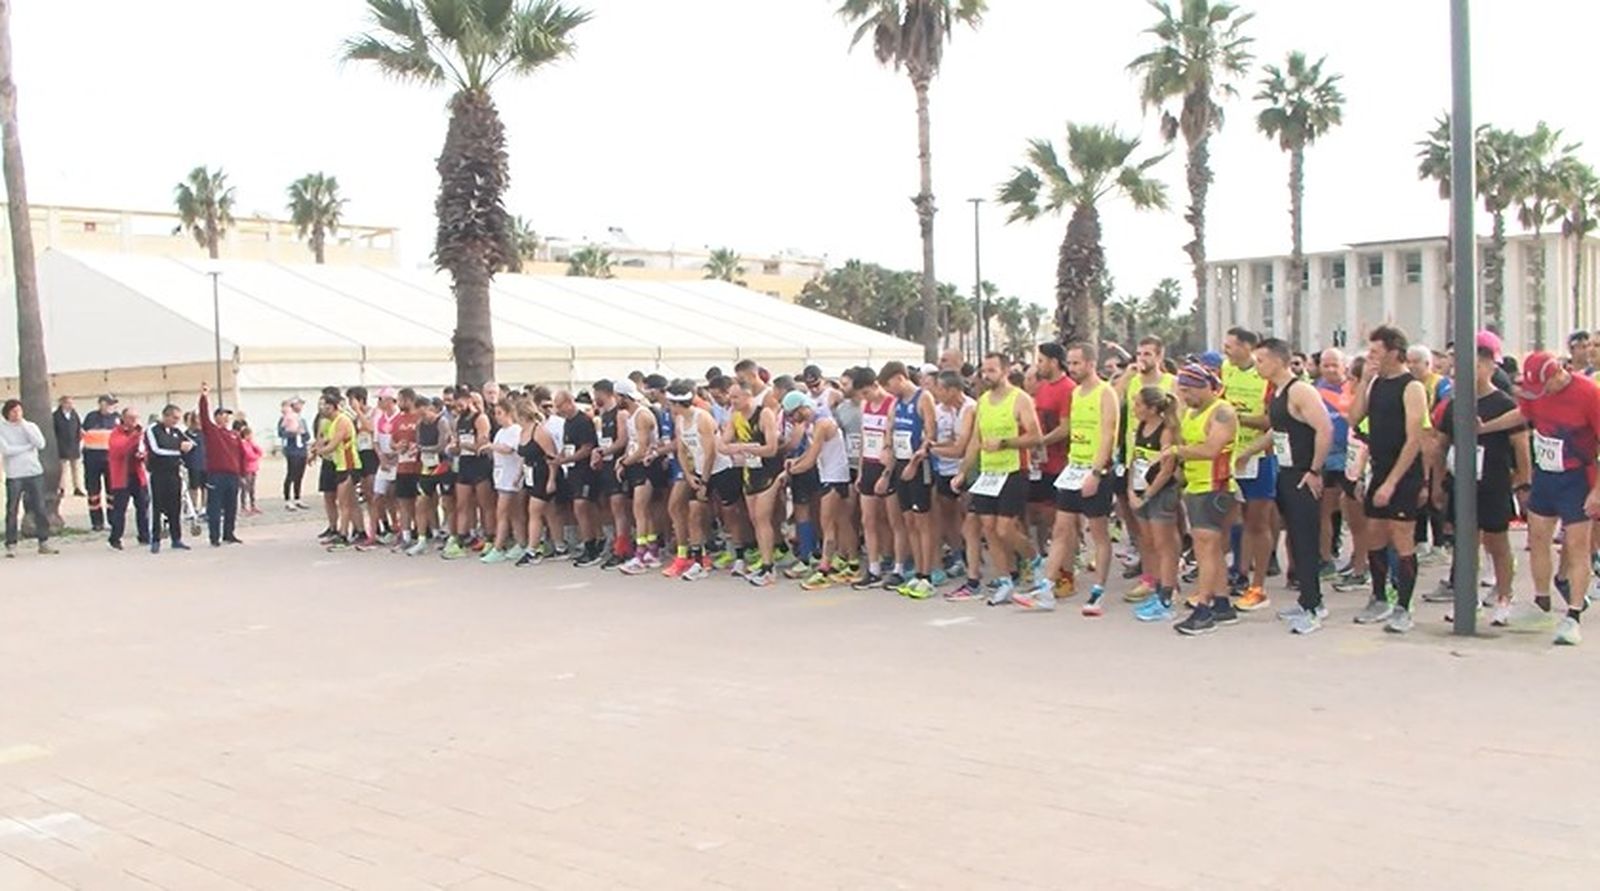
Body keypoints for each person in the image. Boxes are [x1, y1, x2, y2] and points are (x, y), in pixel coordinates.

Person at [1481, 350, 1600, 646]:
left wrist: (1597, 491)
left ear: (1559, 372)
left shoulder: (1589, 394)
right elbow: (1523, 413)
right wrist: (1486, 427)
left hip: (1578, 477)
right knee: (1537, 539)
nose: (1541, 394)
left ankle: (1573, 615)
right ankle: (1542, 601)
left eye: (1545, 386)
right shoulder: (1536, 394)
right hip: (1547, 475)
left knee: (1577, 546)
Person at [1019, 342, 1119, 613]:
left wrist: (1096, 473)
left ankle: (1098, 592)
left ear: (1090, 364)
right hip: (1073, 468)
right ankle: (1047, 589)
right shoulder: (1076, 395)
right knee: (1061, 529)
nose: (1072, 368)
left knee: (1098, 532)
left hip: (1096, 470)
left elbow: (1108, 435)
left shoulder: (1105, 393)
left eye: (1076, 363)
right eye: (1070, 363)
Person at [1434, 342, 1527, 625]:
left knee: (1497, 543)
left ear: (1489, 367)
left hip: (1494, 483)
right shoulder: (1453, 405)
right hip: (1461, 483)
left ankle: (1504, 597)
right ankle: (1467, 598)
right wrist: (1437, 482)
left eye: (1472, 366)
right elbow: (1440, 445)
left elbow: (1521, 446)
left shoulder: (1504, 403)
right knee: (1465, 543)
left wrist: (1523, 482)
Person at [1347, 325, 1428, 633]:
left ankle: (1404, 606)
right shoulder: (1376, 383)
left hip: (1404, 472)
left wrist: (1392, 482)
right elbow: (1354, 418)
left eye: (1377, 352)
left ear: (1394, 352)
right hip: (1378, 466)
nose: (1372, 357)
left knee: (1402, 535)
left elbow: (1414, 439)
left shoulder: (1412, 387)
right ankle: (1379, 595)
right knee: (1374, 533)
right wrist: (1365, 380)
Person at [1251, 338, 1334, 635]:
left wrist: (1314, 470)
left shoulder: (1301, 390)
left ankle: (1314, 607)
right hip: (1285, 472)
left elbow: (1325, 428)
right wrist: (1249, 451)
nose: (1257, 366)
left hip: (1302, 473)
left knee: (1306, 539)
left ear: (1277, 360)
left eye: (1261, 360)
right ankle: (1306, 599)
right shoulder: (1278, 393)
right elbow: (1279, 432)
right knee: (1296, 541)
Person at [952, 353, 1043, 606]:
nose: (986, 375)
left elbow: (1035, 436)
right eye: (984, 371)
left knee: (1005, 528)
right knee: (988, 528)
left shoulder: (1020, 399)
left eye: (991, 370)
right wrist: (963, 470)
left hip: (1014, 470)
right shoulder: (982, 402)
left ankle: (1035, 561)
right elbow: (975, 441)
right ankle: (1005, 581)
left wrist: (1005, 443)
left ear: (1004, 371)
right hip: (988, 474)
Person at [1165, 364, 1240, 635]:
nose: (1185, 396)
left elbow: (1210, 449)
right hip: (1195, 486)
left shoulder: (1221, 411)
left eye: (1188, 390)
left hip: (1214, 486)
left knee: (1206, 548)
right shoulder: (1192, 412)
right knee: (1210, 548)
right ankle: (1221, 602)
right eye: (1182, 390)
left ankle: (1204, 607)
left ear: (1204, 386)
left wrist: (1175, 451)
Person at [1221, 328, 1275, 611]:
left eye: (1230, 345)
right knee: (1232, 517)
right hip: (1230, 455)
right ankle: (1238, 572)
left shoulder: (1264, 377)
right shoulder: (1226, 370)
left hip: (1258, 458)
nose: (1226, 350)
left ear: (1247, 347)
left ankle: (1259, 584)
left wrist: (1238, 418)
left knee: (1258, 522)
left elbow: (1271, 421)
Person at [1126, 387, 1182, 622]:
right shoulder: (1140, 426)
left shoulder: (1166, 430)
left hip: (1160, 492)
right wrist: (1130, 489)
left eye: (1139, 405)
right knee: (1147, 541)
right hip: (1140, 488)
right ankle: (1156, 585)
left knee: (1163, 544)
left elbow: (1167, 469)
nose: (1135, 409)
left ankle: (1168, 593)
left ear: (1152, 408)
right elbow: (1135, 459)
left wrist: (1147, 494)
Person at [2, 398, 56, 557]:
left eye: (19, 411)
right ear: (7, 413)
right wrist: (27, 447)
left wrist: (24, 425)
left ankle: (43, 542)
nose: (17, 414)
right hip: (14, 473)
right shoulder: (2, 428)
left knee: (40, 507)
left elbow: (40, 444)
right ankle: (11, 543)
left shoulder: (30, 426)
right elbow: (7, 450)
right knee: (12, 509)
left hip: (33, 472)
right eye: (13, 411)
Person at [198, 382, 244, 547]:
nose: (225, 418)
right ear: (216, 417)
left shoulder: (234, 435)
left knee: (231, 506)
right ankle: (214, 536)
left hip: (233, 475)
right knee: (215, 506)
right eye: (223, 414)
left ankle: (229, 533)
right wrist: (204, 397)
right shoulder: (212, 431)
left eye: (228, 415)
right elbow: (203, 416)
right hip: (216, 475)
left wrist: (243, 474)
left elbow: (241, 455)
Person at [482, 400, 527, 565]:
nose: (497, 417)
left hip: (511, 477)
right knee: (514, 513)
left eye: (499, 413)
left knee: (502, 513)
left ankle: (498, 546)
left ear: (508, 413)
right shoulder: (500, 432)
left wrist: (492, 446)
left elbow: (509, 449)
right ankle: (521, 543)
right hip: (501, 475)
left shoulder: (515, 431)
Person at [143, 404, 193, 552]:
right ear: (166, 416)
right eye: (174, 418)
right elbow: (157, 449)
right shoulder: (153, 430)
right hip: (158, 473)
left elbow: (189, 444)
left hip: (174, 473)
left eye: (178, 419)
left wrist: (183, 447)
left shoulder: (177, 431)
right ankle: (156, 539)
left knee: (175, 507)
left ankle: (176, 538)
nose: (176, 421)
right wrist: (178, 448)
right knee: (157, 506)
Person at [106, 407, 150, 551]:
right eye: (131, 418)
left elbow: (145, 450)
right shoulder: (116, 433)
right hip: (122, 477)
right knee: (120, 509)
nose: (134, 421)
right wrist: (135, 437)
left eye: (136, 418)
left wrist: (143, 455)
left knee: (143, 507)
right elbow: (121, 449)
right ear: (123, 418)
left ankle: (144, 535)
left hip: (137, 475)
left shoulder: (139, 434)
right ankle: (115, 538)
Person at [81, 394, 119, 531]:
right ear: (101, 404)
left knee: (112, 492)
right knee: (93, 492)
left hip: (111, 460)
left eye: (113, 404)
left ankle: (113, 519)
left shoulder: (117, 418)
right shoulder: (91, 417)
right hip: (92, 459)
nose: (111, 406)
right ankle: (97, 522)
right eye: (109, 403)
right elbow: (82, 434)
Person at [279, 397, 310, 510]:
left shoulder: (302, 420)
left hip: (301, 449)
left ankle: (298, 497)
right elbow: (281, 433)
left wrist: (303, 433)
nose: (300, 407)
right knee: (291, 474)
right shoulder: (285, 419)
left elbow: (307, 436)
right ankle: (287, 499)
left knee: (300, 475)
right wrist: (293, 432)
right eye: (298, 404)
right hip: (292, 450)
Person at [53, 395, 84, 496]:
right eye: (68, 403)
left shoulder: (74, 414)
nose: (70, 405)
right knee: (63, 469)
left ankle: (77, 487)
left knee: (76, 468)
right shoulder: (56, 416)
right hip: (62, 445)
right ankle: (62, 488)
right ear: (62, 403)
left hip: (74, 445)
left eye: (71, 403)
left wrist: (79, 438)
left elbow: (79, 427)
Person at [237, 421, 262, 516]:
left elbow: (259, 451)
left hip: (253, 469)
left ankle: (253, 505)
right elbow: (249, 455)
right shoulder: (243, 444)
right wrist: (256, 456)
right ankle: (243, 506)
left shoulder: (250, 443)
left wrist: (252, 443)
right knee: (245, 488)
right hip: (246, 469)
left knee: (252, 488)